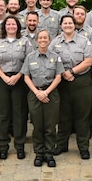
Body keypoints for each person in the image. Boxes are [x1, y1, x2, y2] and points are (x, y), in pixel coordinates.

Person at [52, 15, 92, 159]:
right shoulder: (55, 42)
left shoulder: (84, 41)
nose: (68, 25)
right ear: (61, 26)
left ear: (74, 25)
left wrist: (71, 71)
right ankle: (61, 145)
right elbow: (51, 60)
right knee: (63, 115)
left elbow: (88, 61)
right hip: (62, 82)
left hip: (81, 82)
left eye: (70, 23)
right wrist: (63, 73)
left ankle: (83, 147)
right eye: (65, 23)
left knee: (82, 116)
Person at [0, 15, 31, 160]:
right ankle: (3, 146)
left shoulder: (24, 41)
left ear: (18, 26)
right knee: (3, 114)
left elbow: (29, 60)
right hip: (2, 79)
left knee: (19, 114)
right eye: (8, 24)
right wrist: (4, 76)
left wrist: (18, 75)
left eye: (14, 24)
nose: (11, 26)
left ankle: (20, 145)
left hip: (19, 79)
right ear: (4, 27)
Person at [23, 30, 62, 168]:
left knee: (50, 126)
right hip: (35, 94)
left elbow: (58, 76)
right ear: (36, 40)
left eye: (45, 38)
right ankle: (39, 153)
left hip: (51, 93)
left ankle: (49, 153)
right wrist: (37, 93)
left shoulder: (55, 57)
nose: (43, 40)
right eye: (40, 38)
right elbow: (26, 77)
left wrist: (46, 92)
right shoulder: (30, 57)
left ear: (49, 40)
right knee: (37, 125)